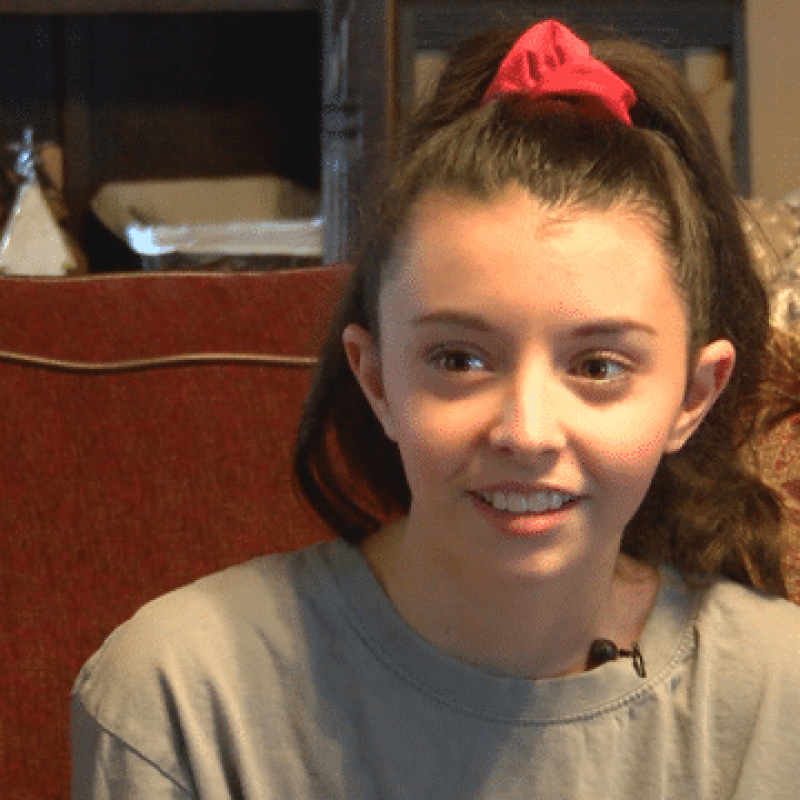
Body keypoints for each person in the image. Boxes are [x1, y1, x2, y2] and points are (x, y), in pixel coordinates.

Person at [71, 19, 800, 799]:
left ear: (693, 397)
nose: (524, 431)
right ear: (377, 379)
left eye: (597, 367)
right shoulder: (180, 698)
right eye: (459, 360)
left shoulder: (777, 697)